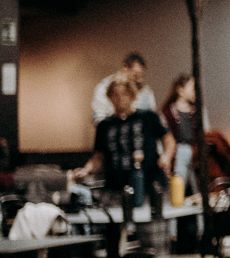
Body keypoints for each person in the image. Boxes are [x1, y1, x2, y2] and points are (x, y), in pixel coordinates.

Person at [70, 74, 169, 202]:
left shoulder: (148, 117)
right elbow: (98, 156)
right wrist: (86, 170)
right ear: (110, 97)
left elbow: (168, 138)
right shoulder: (105, 126)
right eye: (115, 94)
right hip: (117, 189)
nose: (120, 98)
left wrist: (166, 156)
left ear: (132, 94)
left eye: (124, 94)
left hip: (149, 186)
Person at [160, 74, 201, 195]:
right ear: (180, 90)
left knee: (197, 186)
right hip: (177, 152)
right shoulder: (168, 112)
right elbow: (164, 137)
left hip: (194, 152)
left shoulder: (197, 111)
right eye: (192, 88)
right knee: (178, 184)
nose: (195, 92)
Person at [91, 53, 156, 124]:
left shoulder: (146, 92)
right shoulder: (105, 86)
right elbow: (99, 117)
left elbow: (151, 119)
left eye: (141, 76)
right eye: (135, 75)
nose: (138, 80)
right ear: (125, 68)